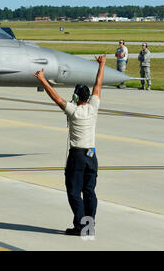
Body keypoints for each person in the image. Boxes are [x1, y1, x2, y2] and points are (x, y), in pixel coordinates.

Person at [33, 54, 106, 236]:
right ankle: (90, 226)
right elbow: (98, 85)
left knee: (74, 192)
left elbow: (56, 97)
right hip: (92, 155)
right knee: (89, 192)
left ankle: (81, 227)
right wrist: (102, 65)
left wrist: (43, 80)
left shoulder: (74, 111)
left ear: (76, 96)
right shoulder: (93, 106)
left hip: (78, 156)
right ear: (87, 97)